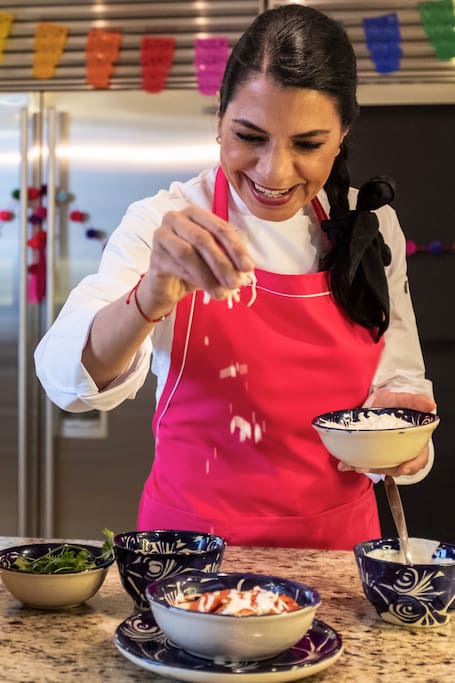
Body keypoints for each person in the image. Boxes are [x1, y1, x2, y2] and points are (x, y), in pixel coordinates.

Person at [35, 4, 435, 550]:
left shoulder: (371, 225)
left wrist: (400, 433)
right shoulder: (164, 221)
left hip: (337, 553)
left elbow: (401, 379)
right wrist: (150, 294)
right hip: (188, 557)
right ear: (219, 119)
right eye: (250, 136)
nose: (274, 171)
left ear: (342, 135)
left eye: (307, 144)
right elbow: (68, 382)